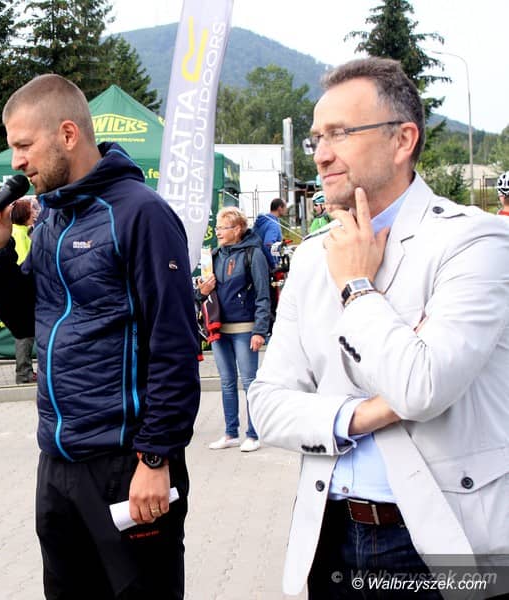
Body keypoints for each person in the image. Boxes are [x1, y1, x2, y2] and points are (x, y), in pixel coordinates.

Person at [249, 57, 509, 598]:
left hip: (443, 540)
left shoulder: (475, 242)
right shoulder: (312, 256)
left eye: (340, 133)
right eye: (317, 137)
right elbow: (266, 405)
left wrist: (356, 286)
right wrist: (360, 415)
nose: (321, 154)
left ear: (402, 140)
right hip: (331, 533)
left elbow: (421, 386)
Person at [0, 74, 201, 599]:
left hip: (127, 462)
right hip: (58, 461)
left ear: (68, 134)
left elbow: (174, 345)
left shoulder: (141, 213)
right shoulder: (53, 216)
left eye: (24, 146)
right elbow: (29, 321)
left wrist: (156, 459)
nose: (16, 162)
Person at [198, 207, 270, 453]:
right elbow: (202, 295)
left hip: (245, 328)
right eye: (217, 227)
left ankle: (254, 434)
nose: (217, 232)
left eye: (222, 228)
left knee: (250, 381)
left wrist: (260, 330)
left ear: (238, 229)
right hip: (219, 329)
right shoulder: (213, 256)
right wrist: (202, 291)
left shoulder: (253, 254)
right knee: (227, 382)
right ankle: (231, 433)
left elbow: (263, 295)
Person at [10, 198, 37, 384]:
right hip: (24, 290)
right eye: (31, 210)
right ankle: (24, 373)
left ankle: (25, 371)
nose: (34, 213)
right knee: (25, 333)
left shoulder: (23, 231)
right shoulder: (18, 233)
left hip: (25, 290)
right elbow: (23, 263)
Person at [251, 197, 286, 269]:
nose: (286, 210)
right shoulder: (273, 224)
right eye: (285, 207)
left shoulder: (262, 221)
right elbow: (268, 245)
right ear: (280, 208)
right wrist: (274, 263)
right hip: (265, 265)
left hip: (255, 262)